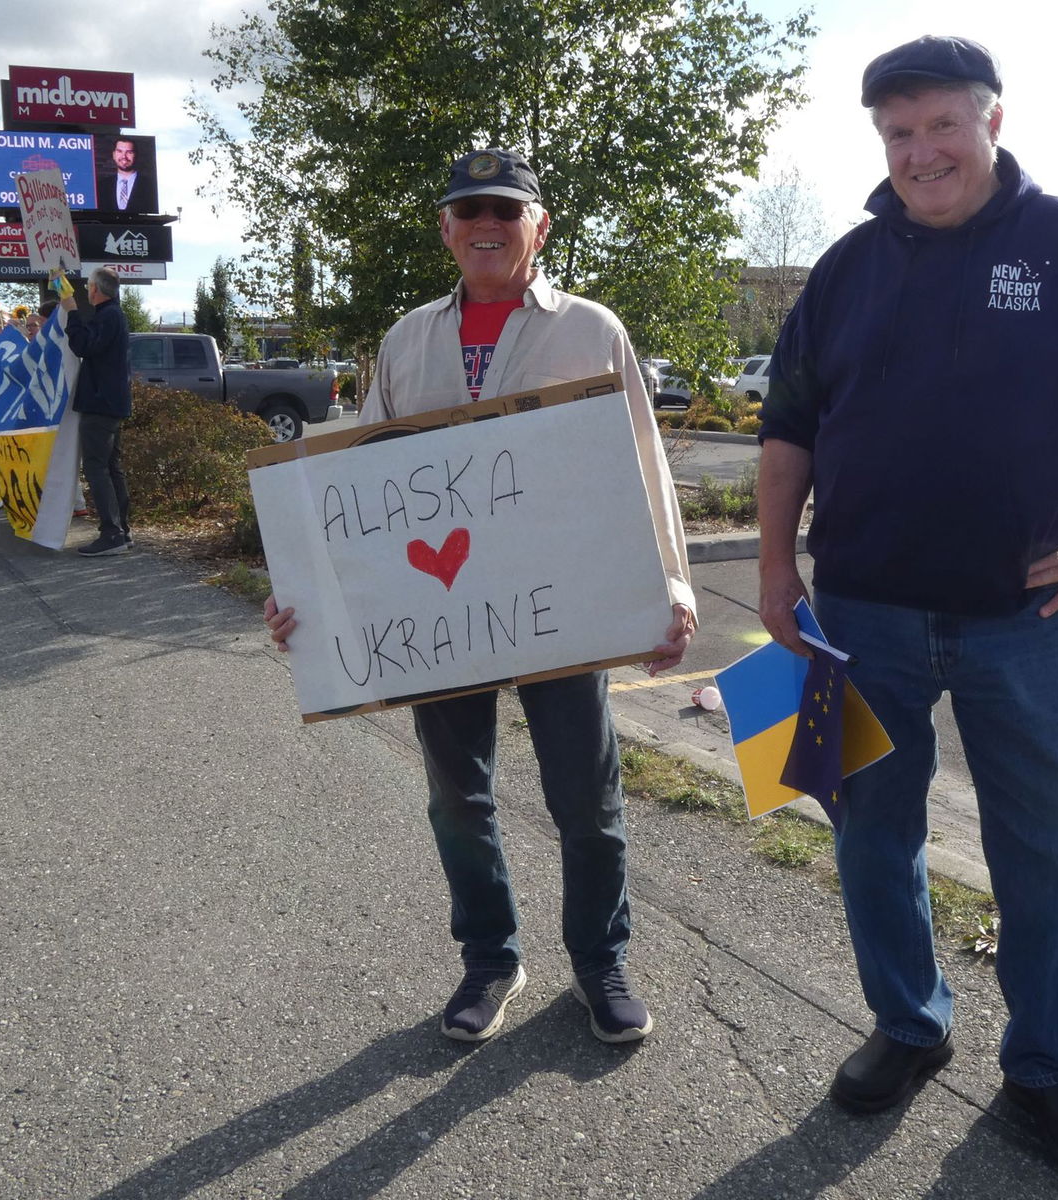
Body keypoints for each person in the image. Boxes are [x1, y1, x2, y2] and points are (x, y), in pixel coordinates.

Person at [756, 36, 1058, 1182]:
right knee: (871, 836)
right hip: (860, 614)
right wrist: (775, 571)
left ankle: (1047, 1069)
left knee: (1056, 852)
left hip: (1027, 623)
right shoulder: (848, 266)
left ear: (992, 120)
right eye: (897, 134)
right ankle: (908, 1027)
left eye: (940, 126)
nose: (920, 152)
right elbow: (789, 426)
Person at [264, 148, 696, 1045]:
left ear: (539, 226)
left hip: (562, 607)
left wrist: (674, 587)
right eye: (470, 212)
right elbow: (362, 493)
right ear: (447, 229)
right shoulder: (406, 340)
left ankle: (599, 961)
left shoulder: (591, 330)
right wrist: (304, 594)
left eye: (507, 210)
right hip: (441, 618)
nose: (488, 226)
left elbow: (643, 468)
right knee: (458, 798)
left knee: (589, 801)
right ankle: (491, 960)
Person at [55, 267, 133, 557]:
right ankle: (121, 531)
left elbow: (83, 345)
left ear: (96, 291)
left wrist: (72, 311)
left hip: (100, 404)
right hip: (112, 403)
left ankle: (112, 533)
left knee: (97, 467)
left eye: (88, 286)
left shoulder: (109, 316)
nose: (86, 291)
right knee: (112, 467)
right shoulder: (114, 315)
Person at [101, 137, 155, 213]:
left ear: (136, 155)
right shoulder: (102, 186)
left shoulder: (150, 185)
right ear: (113, 155)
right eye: (119, 151)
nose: (124, 157)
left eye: (129, 152)